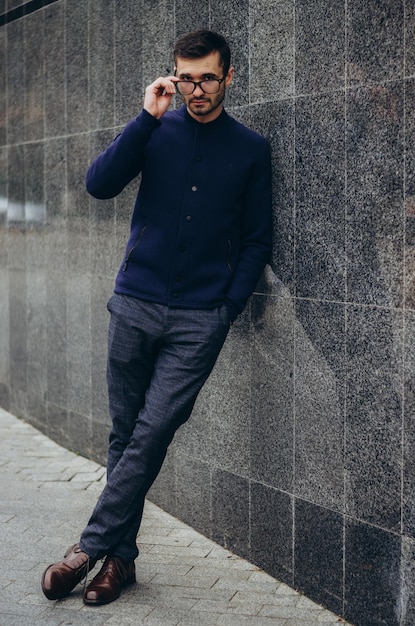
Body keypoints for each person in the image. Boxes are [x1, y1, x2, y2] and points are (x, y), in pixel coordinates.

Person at [41, 29, 272, 606]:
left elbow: (256, 240)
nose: (196, 89)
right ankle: (120, 564)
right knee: (126, 436)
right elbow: (98, 185)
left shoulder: (250, 149)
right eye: (186, 77)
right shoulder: (155, 127)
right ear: (174, 74)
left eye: (208, 78)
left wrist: (226, 309)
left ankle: (85, 550)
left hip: (199, 320)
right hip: (135, 305)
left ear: (229, 77)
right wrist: (145, 117)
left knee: (152, 433)